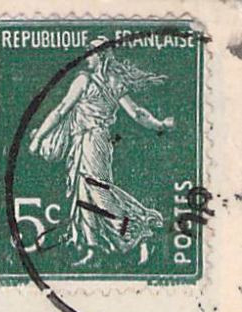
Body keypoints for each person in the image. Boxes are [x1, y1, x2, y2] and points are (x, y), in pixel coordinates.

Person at [26, 42, 174, 266]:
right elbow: (138, 114)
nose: (87, 57)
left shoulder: (85, 81)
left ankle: (137, 230)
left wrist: (38, 138)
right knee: (84, 193)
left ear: (103, 56)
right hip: (89, 141)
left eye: (92, 53)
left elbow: (60, 110)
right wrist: (159, 124)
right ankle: (91, 247)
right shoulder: (113, 82)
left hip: (92, 141)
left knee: (98, 193)